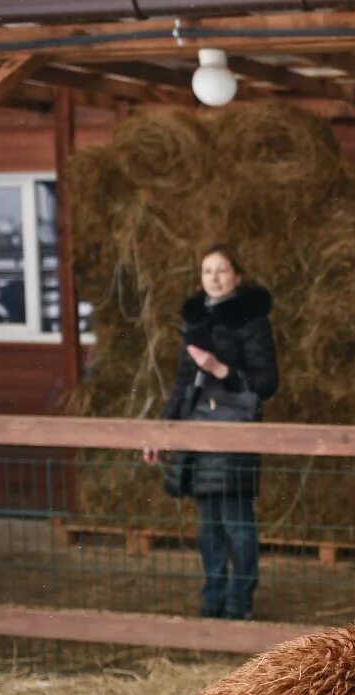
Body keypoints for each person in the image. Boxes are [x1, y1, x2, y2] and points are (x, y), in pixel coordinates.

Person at [143, 244, 279, 620]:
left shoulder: (252, 320)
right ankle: (212, 600)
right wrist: (161, 432)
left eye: (221, 271)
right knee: (209, 526)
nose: (214, 278)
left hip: (235, 434)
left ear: (237, 275)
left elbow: (267, 383)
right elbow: (183, 385)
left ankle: (239, 603)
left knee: (236, 520)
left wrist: (219, 369)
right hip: (198, 435)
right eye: (207, 271)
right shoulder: (196, 321)